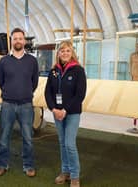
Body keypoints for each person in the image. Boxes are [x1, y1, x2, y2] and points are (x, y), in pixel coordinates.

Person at [0, 27, 39, 177]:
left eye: (20, 38)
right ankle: (2, 164)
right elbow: (1, 82)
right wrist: (11, 93)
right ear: (11, 41)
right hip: (7, 104)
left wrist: (24, 93)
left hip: (26, 105)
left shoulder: (32, 61)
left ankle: (28, 165)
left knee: (28, 137)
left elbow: (35, 82)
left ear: (24, 41)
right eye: (15, 38)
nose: (18, 41)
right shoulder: (3, 61)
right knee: (3, 137)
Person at [44, 41, 87, 187]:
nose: (65, 53)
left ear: (72, 52)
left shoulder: (78, 70)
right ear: (58, 53)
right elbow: (48, 92)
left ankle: (75, 176)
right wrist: (53, 109)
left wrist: (65, 110)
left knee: (69, 144)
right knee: (62, 143)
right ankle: (65, 171)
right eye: (62, 51)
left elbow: (80, 94)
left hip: (72, 113)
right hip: (57, 113)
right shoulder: (53, 71)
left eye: (67, 50)